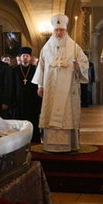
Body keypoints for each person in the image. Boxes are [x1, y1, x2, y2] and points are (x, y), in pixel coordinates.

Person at [31, 14, 89, 152]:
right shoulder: (46, 48)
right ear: (53, 31)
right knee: (50, 115)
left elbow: (85, 63)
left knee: (67, 116)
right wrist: (40, 86)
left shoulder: (74, 47)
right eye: (56, 30)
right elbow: (41, 67)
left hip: (68, 89)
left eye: (61, 30)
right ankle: (50, 145)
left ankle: (70, 145)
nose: (59, 33)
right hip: (51, 89)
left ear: (66, 31)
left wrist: (78, 67)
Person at [11, 46, 42, 142]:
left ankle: (35, 143)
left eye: (27, 56)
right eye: (23, 55)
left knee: (33, 124)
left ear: (30, 58)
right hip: (18, 103)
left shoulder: (35, 70)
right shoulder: (14, 70)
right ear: (20, 57)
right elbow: (12, 87)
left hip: (32, 103)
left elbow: (39, 85)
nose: (25, 57)